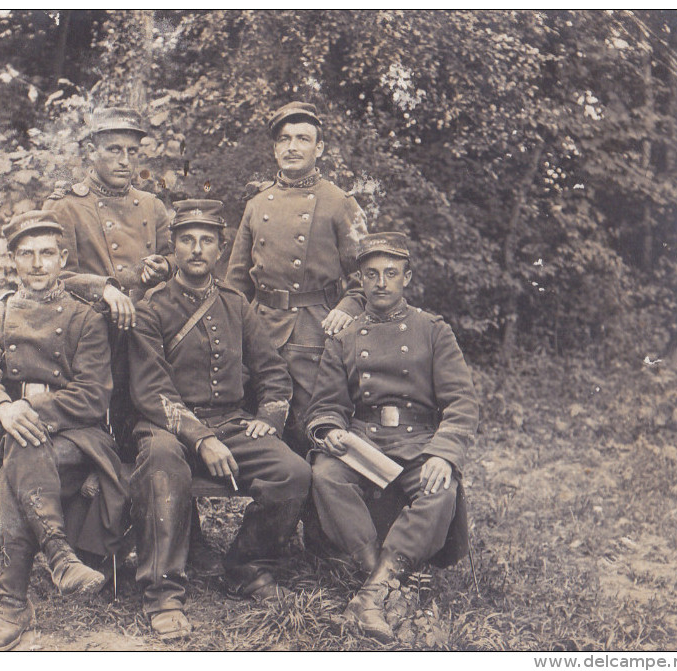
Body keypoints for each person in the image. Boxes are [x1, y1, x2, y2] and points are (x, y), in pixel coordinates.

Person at [128, 200, 311, 640]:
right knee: (161, 464)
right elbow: (152, 390)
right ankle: (164, 593)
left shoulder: (236, 304)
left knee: (293, 472)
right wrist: (201, 438)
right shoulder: (150, 308)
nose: (196, 249)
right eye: (187, 240)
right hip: (167, 425)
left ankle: (247, 565)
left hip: (231, 421)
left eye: (206, 240)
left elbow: (272, 370)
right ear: (173, 248)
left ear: (219, 249)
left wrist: (269, 415)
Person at [0, 210, 127, 651]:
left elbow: (93, 394)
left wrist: (27, 409)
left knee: (20, 449)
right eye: (27, 254)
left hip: (76, 436)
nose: (37, 263)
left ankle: (12, 603)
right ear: (13, 260)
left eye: (47, 254)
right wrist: (0, 408)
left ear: (62, 259)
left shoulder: (84, 317)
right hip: (14, 432)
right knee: (20, 448)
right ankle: (59, 558)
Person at [305, 231, 479, 641]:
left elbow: (462, 402)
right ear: (361, 281)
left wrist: (443, 453)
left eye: (391, 273)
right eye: (372, 274)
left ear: (407, 278)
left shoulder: (433, 330)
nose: (381, 282)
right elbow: (326, 403)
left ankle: (370, 593)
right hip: (363, 441)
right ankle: (382, 582)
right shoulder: (345, 337)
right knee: (326, 475)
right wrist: (330, 430)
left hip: (419, 443)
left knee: (442, 488)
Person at [225, 101, 369, 455]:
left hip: (315, 330)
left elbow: (369, 274)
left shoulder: (339, 202)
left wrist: (349, 305)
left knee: (311, 427)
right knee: (258, 427)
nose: (292, 147)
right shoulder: (257, 204)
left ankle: (318, 506)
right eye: (285, 139)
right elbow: (236, 281)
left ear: (318, 148)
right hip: (260, 328)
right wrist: (230, 332)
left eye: (302, 139)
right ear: (275, 148)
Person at [43, 106, 174, 455]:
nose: (125, 161)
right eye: (114, 150)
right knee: (96, 441)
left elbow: (173, 259)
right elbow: (51, 275)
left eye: (132, 152)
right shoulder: (66, 207)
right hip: (91, 339)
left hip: (146, 336)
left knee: (148, 435)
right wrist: (103, 287)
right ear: (91, 151)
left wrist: (164, 266)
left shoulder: (151, 205)